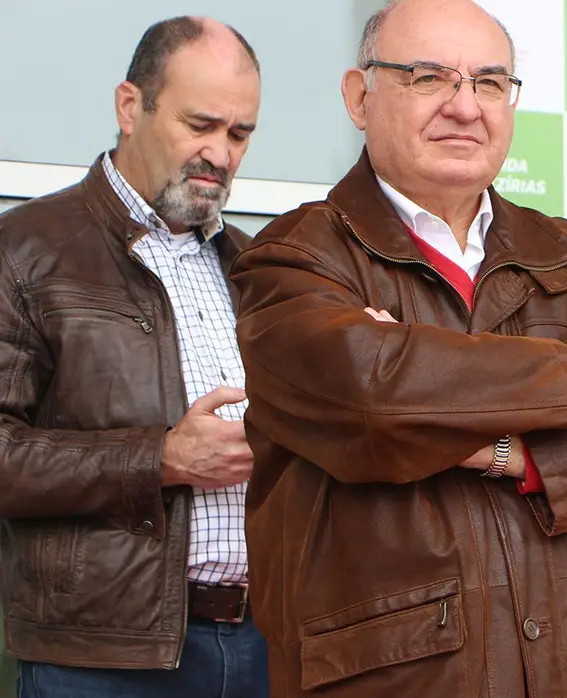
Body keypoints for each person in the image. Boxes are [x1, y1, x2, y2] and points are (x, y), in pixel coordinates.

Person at [227, 1, 567, 696]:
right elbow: (372, 400)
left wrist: (512, 452)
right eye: (429, 77)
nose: (466, 106)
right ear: (358, 95)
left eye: (490, 83)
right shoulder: (292, 258)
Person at [0, 16, 266, 698]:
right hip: (101, 659)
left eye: (240, 134)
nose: (221, 153)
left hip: (262, 643)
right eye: (200, 124)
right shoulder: (23, 250)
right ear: (129, 107)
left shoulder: (255, 266)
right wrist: (161, 459)